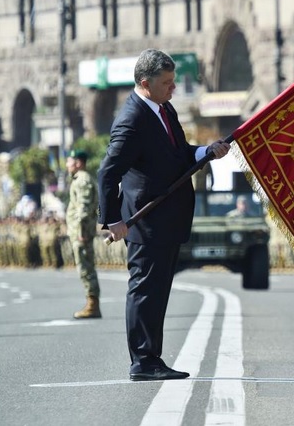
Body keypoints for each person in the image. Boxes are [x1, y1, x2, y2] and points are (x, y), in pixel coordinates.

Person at [97, 49, 230, 382]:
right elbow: (107, 173)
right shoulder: (132, 119)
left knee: (158, 292)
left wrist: (205, 152)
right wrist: (113, 219)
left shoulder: (164, 108)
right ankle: (142, 361)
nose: (173, 87)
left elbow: (178, 154)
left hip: (167, 220)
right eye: (167, 82)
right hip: (145, 221)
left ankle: (152, 357)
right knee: (145, 290)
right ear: (145, 83)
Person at [65, 149, 101, 319]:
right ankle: (91, 302)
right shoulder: (80, 179)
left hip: (82, 233)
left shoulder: (82, 180)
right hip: (82, 231)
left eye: (69, 161)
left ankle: (92, 304)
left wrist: (80, 232)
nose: (67, 165)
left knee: (85, 267)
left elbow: (84, 208)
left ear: (78, 163)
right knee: (85, 266)